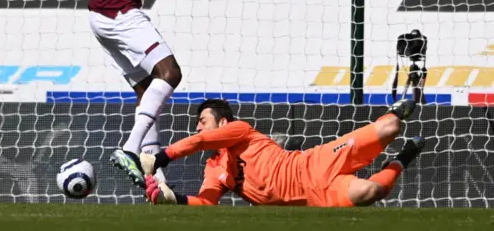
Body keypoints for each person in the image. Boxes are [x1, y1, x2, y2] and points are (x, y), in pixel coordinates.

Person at [73, 0, 218, 188]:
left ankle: (154, 174)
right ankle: (129, 150)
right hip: (120, 16)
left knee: (147, 92)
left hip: (98, 17)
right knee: (170, 73)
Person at [140, 98, 425, 207]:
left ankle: (397, 109)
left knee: (390, 126)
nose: (199, 128)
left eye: (203, 121)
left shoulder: (238, 130)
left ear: (222, 123)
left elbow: (199, 142)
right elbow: (206, 204)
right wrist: (173, 199)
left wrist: (161, 158)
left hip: (315, 162)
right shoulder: (213, 169)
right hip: (314, 196)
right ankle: (402, 159)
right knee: (372, 191)